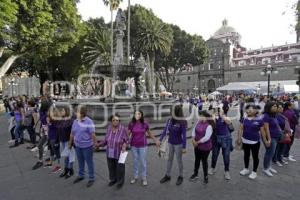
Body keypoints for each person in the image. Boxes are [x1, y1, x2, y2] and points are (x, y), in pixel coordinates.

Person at [128, 110, 160, 186]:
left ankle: (144, 177)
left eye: (139, 114)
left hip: (143, 145)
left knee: (143, 161)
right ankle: (135, 176)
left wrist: (155, 140)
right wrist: (124, 142)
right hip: (133, 145)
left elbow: (149, 133)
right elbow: (128, 134)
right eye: (136, 114)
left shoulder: (145, 124)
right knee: (135, 161)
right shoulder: (131, 124)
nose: (137, 115)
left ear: (141, 115)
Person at [99, 114, 129, 189]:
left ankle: (120, 182)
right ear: (111, 121)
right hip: (110, 151)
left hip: (119, 152)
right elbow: (106, 140)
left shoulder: (123, 129)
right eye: (113, 120)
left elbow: (127, 140)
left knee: (120, 168)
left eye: (117, 120)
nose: (115, 122)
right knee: (111, 167)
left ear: (119, 121)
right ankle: (113, 180)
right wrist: (99, 145)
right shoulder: (109, 128)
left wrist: (125, 145)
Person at [159, 105, 187, 186]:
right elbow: (165, 130)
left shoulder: (182, 121)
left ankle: (181, 176)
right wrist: (160, 140)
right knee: (169, 160)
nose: (171, 112)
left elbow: (184, 135)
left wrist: (184, 147)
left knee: (179, 161)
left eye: (173, 111)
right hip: (170, 143)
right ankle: (167, 175)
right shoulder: (170, 120)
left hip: (179, 144)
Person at [70, 105, 96, 187]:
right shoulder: (75, 121)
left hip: (87, 146)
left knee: (89, 162)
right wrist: (70, 143)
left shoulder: (89, 122)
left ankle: (91, 178)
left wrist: (95, 144)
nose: (75, 113)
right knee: (80, 161)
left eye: (77, 112)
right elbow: (72, 133)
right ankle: (81, 175)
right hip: (78, 145)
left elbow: (93, 134)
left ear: (82, 113)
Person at [237, 104, 266, 180]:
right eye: (248, 109)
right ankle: (246, 169)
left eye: (251, 109)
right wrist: (239, 138)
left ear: (256, 111)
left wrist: (266, 141)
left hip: (255, 142)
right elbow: (240, 129)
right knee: (246, 155)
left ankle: (254, 172)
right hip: (245, 141)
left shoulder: (259, 120)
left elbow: (263, 132)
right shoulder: (244, 119)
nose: (249, 110)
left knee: (255, 157)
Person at [189, 111, 214, 184]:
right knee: (197, 160)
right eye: (200, 116)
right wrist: (193, 139)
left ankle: (205, 176)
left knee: (204, 161)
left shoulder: (209, 126)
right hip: (197, 146)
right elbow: (193, 131)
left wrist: (197, 142)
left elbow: (207, 137)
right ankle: (195, 173)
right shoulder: (198, 123)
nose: (200, 117)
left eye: (201, 116)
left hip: (205, 147)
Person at [208, 107, 232, 180]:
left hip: (226, 139)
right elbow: (212, 126)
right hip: (216, 139)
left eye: (219, 110)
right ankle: (213, 167)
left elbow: (229, 122)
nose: (218, 111)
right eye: (216, 110)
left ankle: (226, 171)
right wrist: (213, 116)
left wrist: (222, 116)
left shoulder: (225, 117)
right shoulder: (214, 118)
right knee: (214, 154)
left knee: (226, 156)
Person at [262, 102, 281, 177]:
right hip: (270, 137)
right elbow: (266, 129)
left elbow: (276, 125)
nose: (276, 108)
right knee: (269, 153)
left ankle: (269, 166)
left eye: (276, 106)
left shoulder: (273, 115)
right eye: (274, 106)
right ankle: (265, 168)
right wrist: (268, 140)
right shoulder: (266, 116)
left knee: (272, 153)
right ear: (269, 107)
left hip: (275, 136)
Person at [32, 97, 51, 170]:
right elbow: (41, 120)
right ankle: (41, 160)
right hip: (45, 131)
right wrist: (38, 126)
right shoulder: (42, 112)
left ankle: (49, 158)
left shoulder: (47, 113)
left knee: (49, 146)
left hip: (49, 131)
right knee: (40, 145)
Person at [58, 107, 75, 178]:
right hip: (62, 140)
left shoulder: (70, 121)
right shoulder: (61, 120)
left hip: (68, 140)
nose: (61, 112)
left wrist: (71, 142)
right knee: (66, 156)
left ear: (66, 112)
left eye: (62, 111)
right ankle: (66, 169)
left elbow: (73, 132)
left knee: (69, 155)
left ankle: (70, 169)